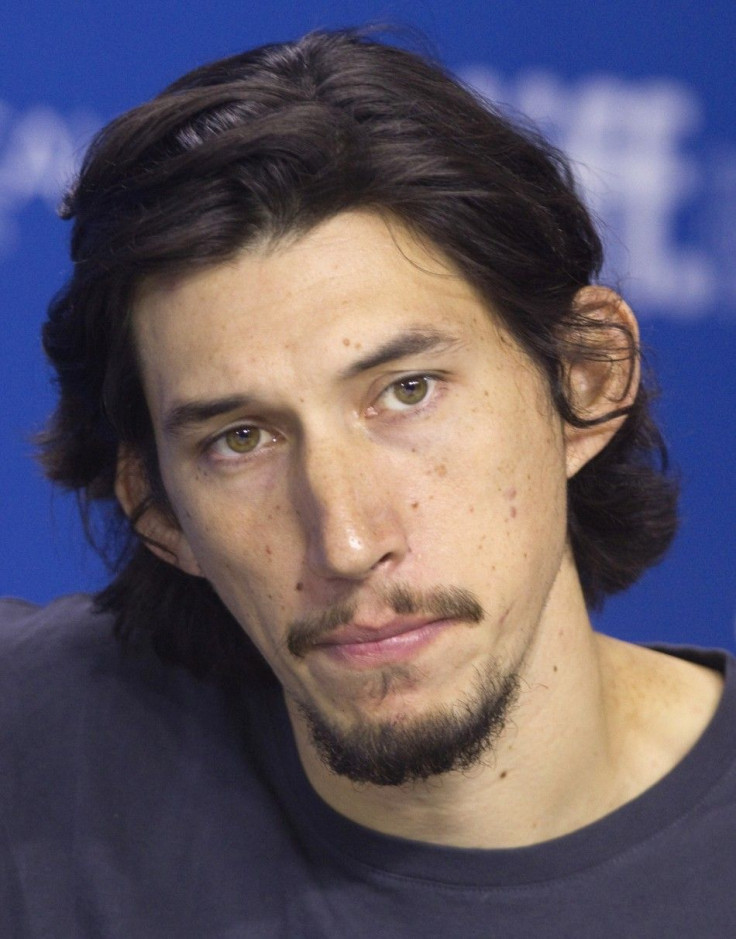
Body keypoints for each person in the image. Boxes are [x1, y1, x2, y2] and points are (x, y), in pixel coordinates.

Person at [2, 28, 734, 937]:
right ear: (157, 510)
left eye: (407, 392)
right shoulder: (31, 746)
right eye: (241, 439)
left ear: (585, 376)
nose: (346, 541)